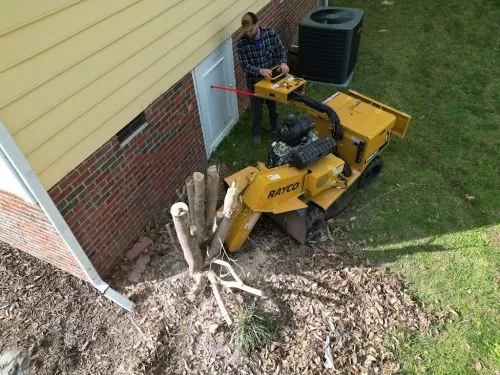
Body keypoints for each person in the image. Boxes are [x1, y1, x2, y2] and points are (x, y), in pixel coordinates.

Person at [237, 12, 289, 145]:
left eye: (251, 29)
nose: (248, 33)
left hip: (271, 81)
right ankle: (257, 133)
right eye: (246, 31)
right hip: (254, 83)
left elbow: (281, 50)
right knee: (256, 111)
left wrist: (283, 62)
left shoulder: (271, 34)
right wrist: (259, 70)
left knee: (273, 108)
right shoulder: (242, 43)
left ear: (258, 24)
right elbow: (245, 65)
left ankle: (274, 129)